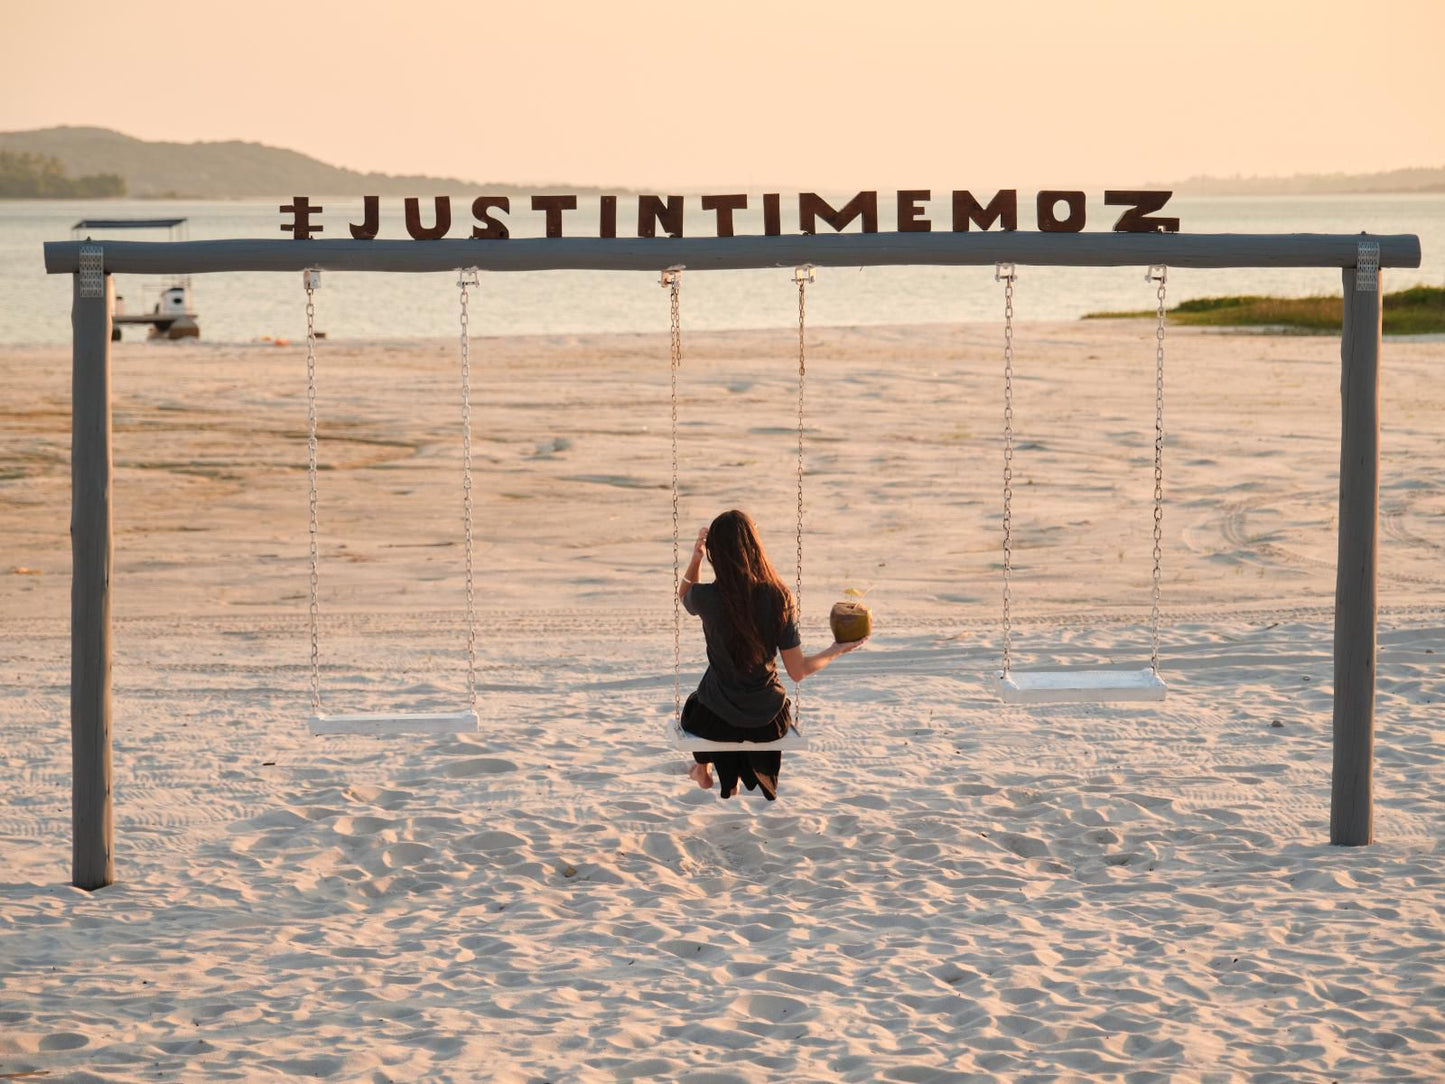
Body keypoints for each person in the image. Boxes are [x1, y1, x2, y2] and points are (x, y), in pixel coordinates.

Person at [677, 509, 865, 800]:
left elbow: (684, 594)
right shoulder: (778, 596)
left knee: (697, 708)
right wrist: (837, 648)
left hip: (715, 719)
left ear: (716, 552)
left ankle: (703, 767)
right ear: (755, 547)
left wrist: (696, 555)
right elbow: (798, 671)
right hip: (767, 723)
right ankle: (724, 772)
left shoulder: (705, 597)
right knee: (724, 711)